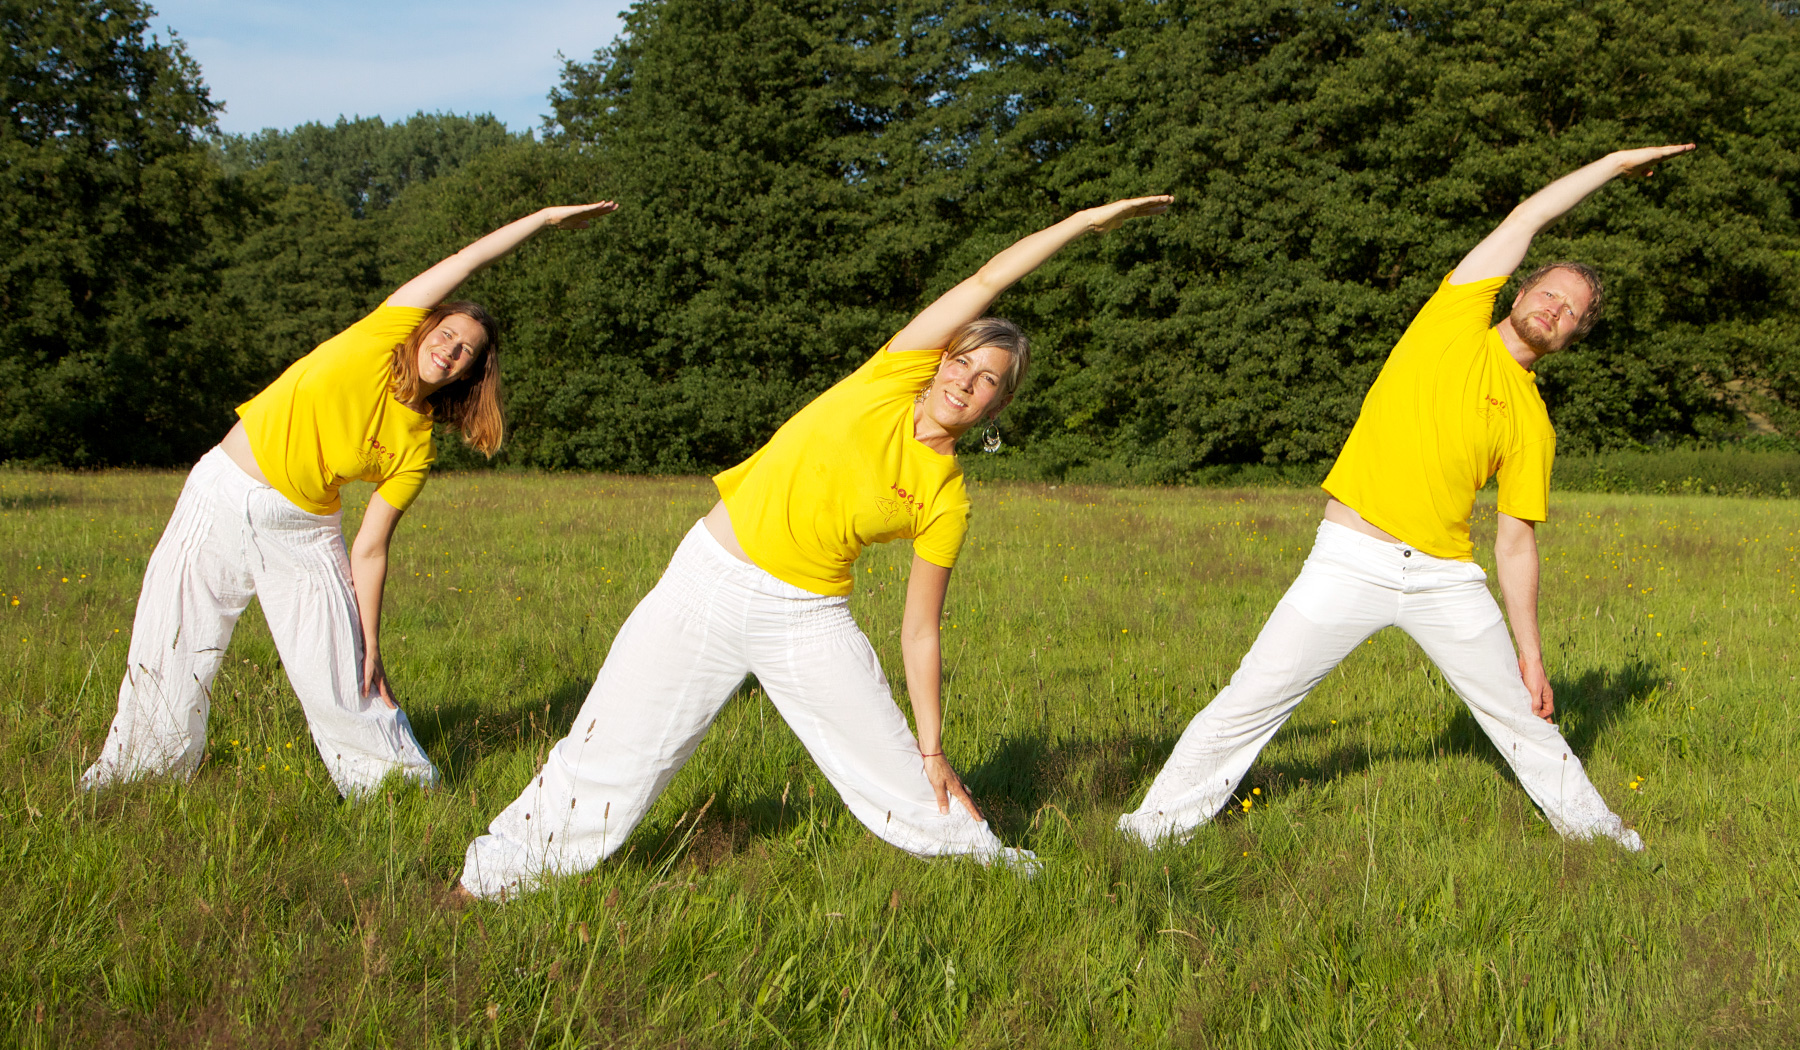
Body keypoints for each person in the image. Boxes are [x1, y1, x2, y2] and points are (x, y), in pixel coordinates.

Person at [457, 195, 1173, 900]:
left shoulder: (947, 497)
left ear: (997, 407)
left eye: (989, 381)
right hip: (705, 581)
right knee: (609, 752)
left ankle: (1016, 879)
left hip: (803, 618)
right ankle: (496, 877)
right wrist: (1082, 224)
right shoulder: (889, 376)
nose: (967, 381)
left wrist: (932, 746)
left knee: (901, 776)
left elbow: (920, 628)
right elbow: (986, 281)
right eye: (964, 362)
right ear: (940, 360)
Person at [1120, 145, 1696, 850]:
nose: (1555, 308)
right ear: (1517, 292)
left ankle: (1601, 836)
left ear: (1573, 335)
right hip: (1350, 556)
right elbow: (1530, 214)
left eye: (1571, 310)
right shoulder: (1452, 318)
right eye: (1548, 292)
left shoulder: (1533, 423)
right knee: (1251, 700)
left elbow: (1515, 541)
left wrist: (1533, 655)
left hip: (1444, 578)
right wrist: (1613, 164)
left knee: (1519, 718)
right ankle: (1149, 833)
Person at [81, 202, 618, 796]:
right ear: (423, 329)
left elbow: (370, 547)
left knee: (346, 675)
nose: (450, 349)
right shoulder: (378, 334)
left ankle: (398, 789)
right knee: (171, 642)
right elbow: (468, 260)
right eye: (446, 334)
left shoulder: (415, 447)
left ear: (470, 373)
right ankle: (136, 779)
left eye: (466, 350)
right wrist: (542, 219)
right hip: (221, 493)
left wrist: (372, 647)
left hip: (301, 531)